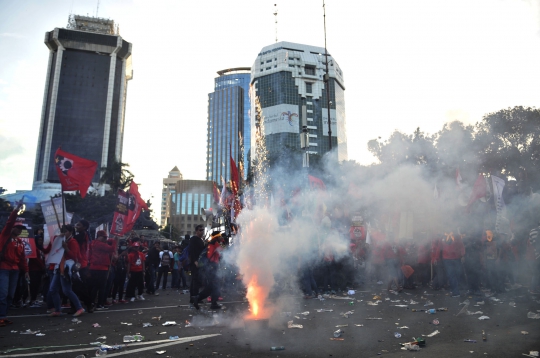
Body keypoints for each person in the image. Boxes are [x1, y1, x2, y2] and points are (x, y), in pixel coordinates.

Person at [0, 203, 28, 326]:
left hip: (15, 270)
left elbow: (23, 258)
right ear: (12, 228)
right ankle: (1, 316)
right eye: (17, 228)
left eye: (21, 229)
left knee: (10, 295)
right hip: (3, 268)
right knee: (3, 294)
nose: (18, 230)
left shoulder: (20, 242)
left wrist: (26, 271)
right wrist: (16, 209)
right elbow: (10, 222)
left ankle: (4, 316)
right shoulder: (5, 236)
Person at [48, 225, 85, 317]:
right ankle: (58, 310)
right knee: (53, 289)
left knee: (66, 290)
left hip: (66, 268)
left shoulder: (73, 242)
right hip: (58, 267)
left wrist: (66, 248)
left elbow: (74, 256)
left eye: (66, 231)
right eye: (62, 231)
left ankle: (79, 308)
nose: (63, 233)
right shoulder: (61, 240)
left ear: (71, 232)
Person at [192, 232, 224, 310]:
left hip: (210, 267)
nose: (221, 237)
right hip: (212, 267)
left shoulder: (211, 243)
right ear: (217, 236)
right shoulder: (215, 243)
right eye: (220, 236)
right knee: (214, 285)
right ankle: (198, 298)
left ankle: (213, 303)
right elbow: (223, 251)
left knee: (213, 286)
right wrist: (223, 242)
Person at [88, 231, 116, 310]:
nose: (105, 239)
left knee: (95, 287)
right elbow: (112, 249)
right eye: (104, 237)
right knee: (102, 287)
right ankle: (100, 304)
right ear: (99, 236)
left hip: (93, 267)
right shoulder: (100, 244)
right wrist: (114, 241)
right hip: (101, 268)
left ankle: (92, 302)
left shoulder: (93, 243)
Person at [437, 230, 465, 298]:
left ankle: (456, 289)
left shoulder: (456, 236)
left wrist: (463, 255)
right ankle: (455, 292)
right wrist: (437, 258)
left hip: (456, 258)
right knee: (451, 275)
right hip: (447, 259)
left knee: (457, 274)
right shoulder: (442, 237)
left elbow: (461, 246)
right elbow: (439, 248)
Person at [72, 220, 92, 313]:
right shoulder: (83, 234)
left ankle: (88, 304)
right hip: (77, 262)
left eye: (78, 225)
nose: (76, 226)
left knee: (81, 286)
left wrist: (70, 230)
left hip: (80, 264)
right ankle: (76, 306)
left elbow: (74, 239)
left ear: (84, 227)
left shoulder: (83, 235)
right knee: (74, 287)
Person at [189, 225, 206, 305]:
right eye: (200, 230)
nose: (202, 231)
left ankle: (195, 297)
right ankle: (194, 297)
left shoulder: (200, 240)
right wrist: (195, 261)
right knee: (195, 281)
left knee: (197, 281)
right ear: (196, 231)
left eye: (202, 230)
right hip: (195, 263)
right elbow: (191, 251)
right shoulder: (193, 239)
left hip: (200, 263)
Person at [28, 233, 47, 307]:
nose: (40, 241)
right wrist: (42, 266)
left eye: (41, 240)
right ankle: (32, 301)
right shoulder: (34, 248)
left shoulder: (40, 248)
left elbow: (44, 253)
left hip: (39, 270)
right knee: (34, 286)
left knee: (37, 286)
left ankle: (34, 300)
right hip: (34, 270)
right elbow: (35, 258)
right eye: (39, 240)